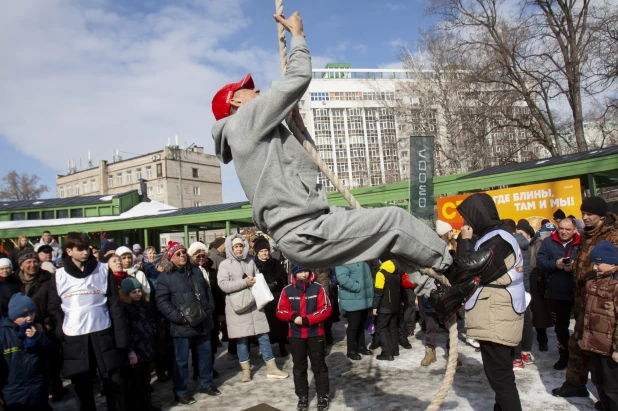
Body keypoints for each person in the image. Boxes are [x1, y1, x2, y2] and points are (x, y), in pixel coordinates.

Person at [210, 11, 490, 321]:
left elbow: (301, 165)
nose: (258, 90)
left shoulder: (254, 135)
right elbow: (297, 80)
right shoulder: (241, 123)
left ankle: (434, 290)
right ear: (234, 101)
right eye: (249, 89)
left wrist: (292, 123)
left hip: (306, 226)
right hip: (305, 230)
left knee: (384, 237)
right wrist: (298, 37)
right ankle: (454, 268)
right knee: (394, 221)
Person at [434, 193, 526, 411]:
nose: (466, 224)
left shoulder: (499, 240)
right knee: (499, 376)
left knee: (501, 377)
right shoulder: (496, 237)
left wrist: (464, 241)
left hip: (497, 315)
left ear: (478, 216)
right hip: (497, 313)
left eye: (468, 218)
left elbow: (467, 269)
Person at [48, 232, 128, 411]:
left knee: (114, 383)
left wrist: (121, 339)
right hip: (74, 336)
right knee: (82, 387)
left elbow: (114, 304)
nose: (86, 252)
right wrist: (62, 331)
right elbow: (53, 308)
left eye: (87, 248)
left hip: (103, 332)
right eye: (81, 249)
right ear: (69, 251)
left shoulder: (102, 269)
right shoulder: (58, 276)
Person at [552, 197, 618, 399]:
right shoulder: (587, 236)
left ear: (602, 216)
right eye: (584, 214)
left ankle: (609, 396)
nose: (585, 218)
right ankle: (575, 384)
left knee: (604, 357)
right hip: (584, 300)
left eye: (590, 215)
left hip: (606, 304)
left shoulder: (613, 237)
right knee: (577, 344)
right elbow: (586, 265)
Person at [217, 234, 288, 382]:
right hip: (237, 307)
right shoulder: (225, 265)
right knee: (242, 339)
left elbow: (258, 277)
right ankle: (246, 370)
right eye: (236, 246)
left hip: (254, 304)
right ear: (231, 247)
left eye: (240, 246)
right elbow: (223, 285)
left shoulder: (250, 261)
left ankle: (271, 367)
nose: (238, 249)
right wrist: (244, 283)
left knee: (263, 335)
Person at [156, 241, 218, 405]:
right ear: (170, 257)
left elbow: (207, 291)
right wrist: (179, 317)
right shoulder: (165, 277)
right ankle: (181, 391)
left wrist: (209, 308)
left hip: (202, 320)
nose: (182, 255)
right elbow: (162, 302)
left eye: (183, 252)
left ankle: (206, 383)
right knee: (181, 361)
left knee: (205, 355)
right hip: (181, 326)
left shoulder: (196, 271)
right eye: (178, 253)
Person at [277, 265, 331, 411]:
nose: (304, 274)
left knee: (319, 366)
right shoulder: (287, 290)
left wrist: (308, 319)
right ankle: (302, 396)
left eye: (306, 271)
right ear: (294, 273)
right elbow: (281, 310)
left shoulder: (318, 288)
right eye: (300, 271)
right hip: (296, 335)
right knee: (299, 367)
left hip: (315, 333)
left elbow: (326, 309)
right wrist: (293, 316)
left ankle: (323, 396)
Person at [575, 241, 618, 411]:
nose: (595, 268)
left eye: (599, 263)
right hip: (594, 343)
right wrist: (579, 335)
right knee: (598, 380)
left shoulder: (615, 284)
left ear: (613, 263)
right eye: (594, 263)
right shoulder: (592, 281)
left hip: (610, 348)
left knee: (613, 387)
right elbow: (584, 312)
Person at [536, 217, 580, 370]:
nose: (563, 232)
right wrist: (556, 264)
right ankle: (564, 355)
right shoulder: (548, 242)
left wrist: (575, 267)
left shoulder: (582, 242)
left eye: (568, 229)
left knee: (581, 328)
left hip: (578, 292)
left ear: (574, 230)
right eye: (561, 228)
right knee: (560, 328)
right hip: (556, 292)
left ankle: (581, 358)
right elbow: (540, 263)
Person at [0, 293, 54, 411]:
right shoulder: (3, 334)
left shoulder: (35, 329)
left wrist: (38, 337)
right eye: (24, 315)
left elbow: (49, 350)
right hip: (13, 393)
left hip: (38, 389)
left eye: (31, 313)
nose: (29, 318)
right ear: (14, 316)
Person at [119, 278, 161, 411]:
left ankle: (146, 404)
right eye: (133, 292)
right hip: (135, 350)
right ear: (126, 295)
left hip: (147, 346)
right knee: (135, 382)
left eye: (139, 291)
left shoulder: (146, 305)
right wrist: (130, 350)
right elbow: (125, 331)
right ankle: (136, 406)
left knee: (146, 379)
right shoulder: (125, 310)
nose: (137, 294)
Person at [253, 236, 289, 356]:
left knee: (279, 323)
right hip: (262, 299)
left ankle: (282, 345)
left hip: (276, 296)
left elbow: (284, 276)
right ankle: (265, 349)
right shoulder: (254, 264)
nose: (264, 253)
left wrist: (276, 283)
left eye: (266, 250)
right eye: (261, 251)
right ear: (257, 252)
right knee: (264, 325)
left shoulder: (276, 263)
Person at [335, 262, 374, 360]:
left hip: (363, 298)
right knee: (354, 325)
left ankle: (361, 346)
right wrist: (357, 287)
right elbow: (342, 277)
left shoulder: (362, 259)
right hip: (353, 298)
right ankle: (351, 350)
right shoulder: (345, 260)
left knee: (361, 324)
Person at [372, 260, 402, 361]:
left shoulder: (381, 273)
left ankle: (387, 352)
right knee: (393, 327)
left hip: (384, 307)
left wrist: (375, 307)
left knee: (382, 328)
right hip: (395, 306)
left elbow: (378, 292)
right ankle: (395, 350)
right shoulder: (397, 273)